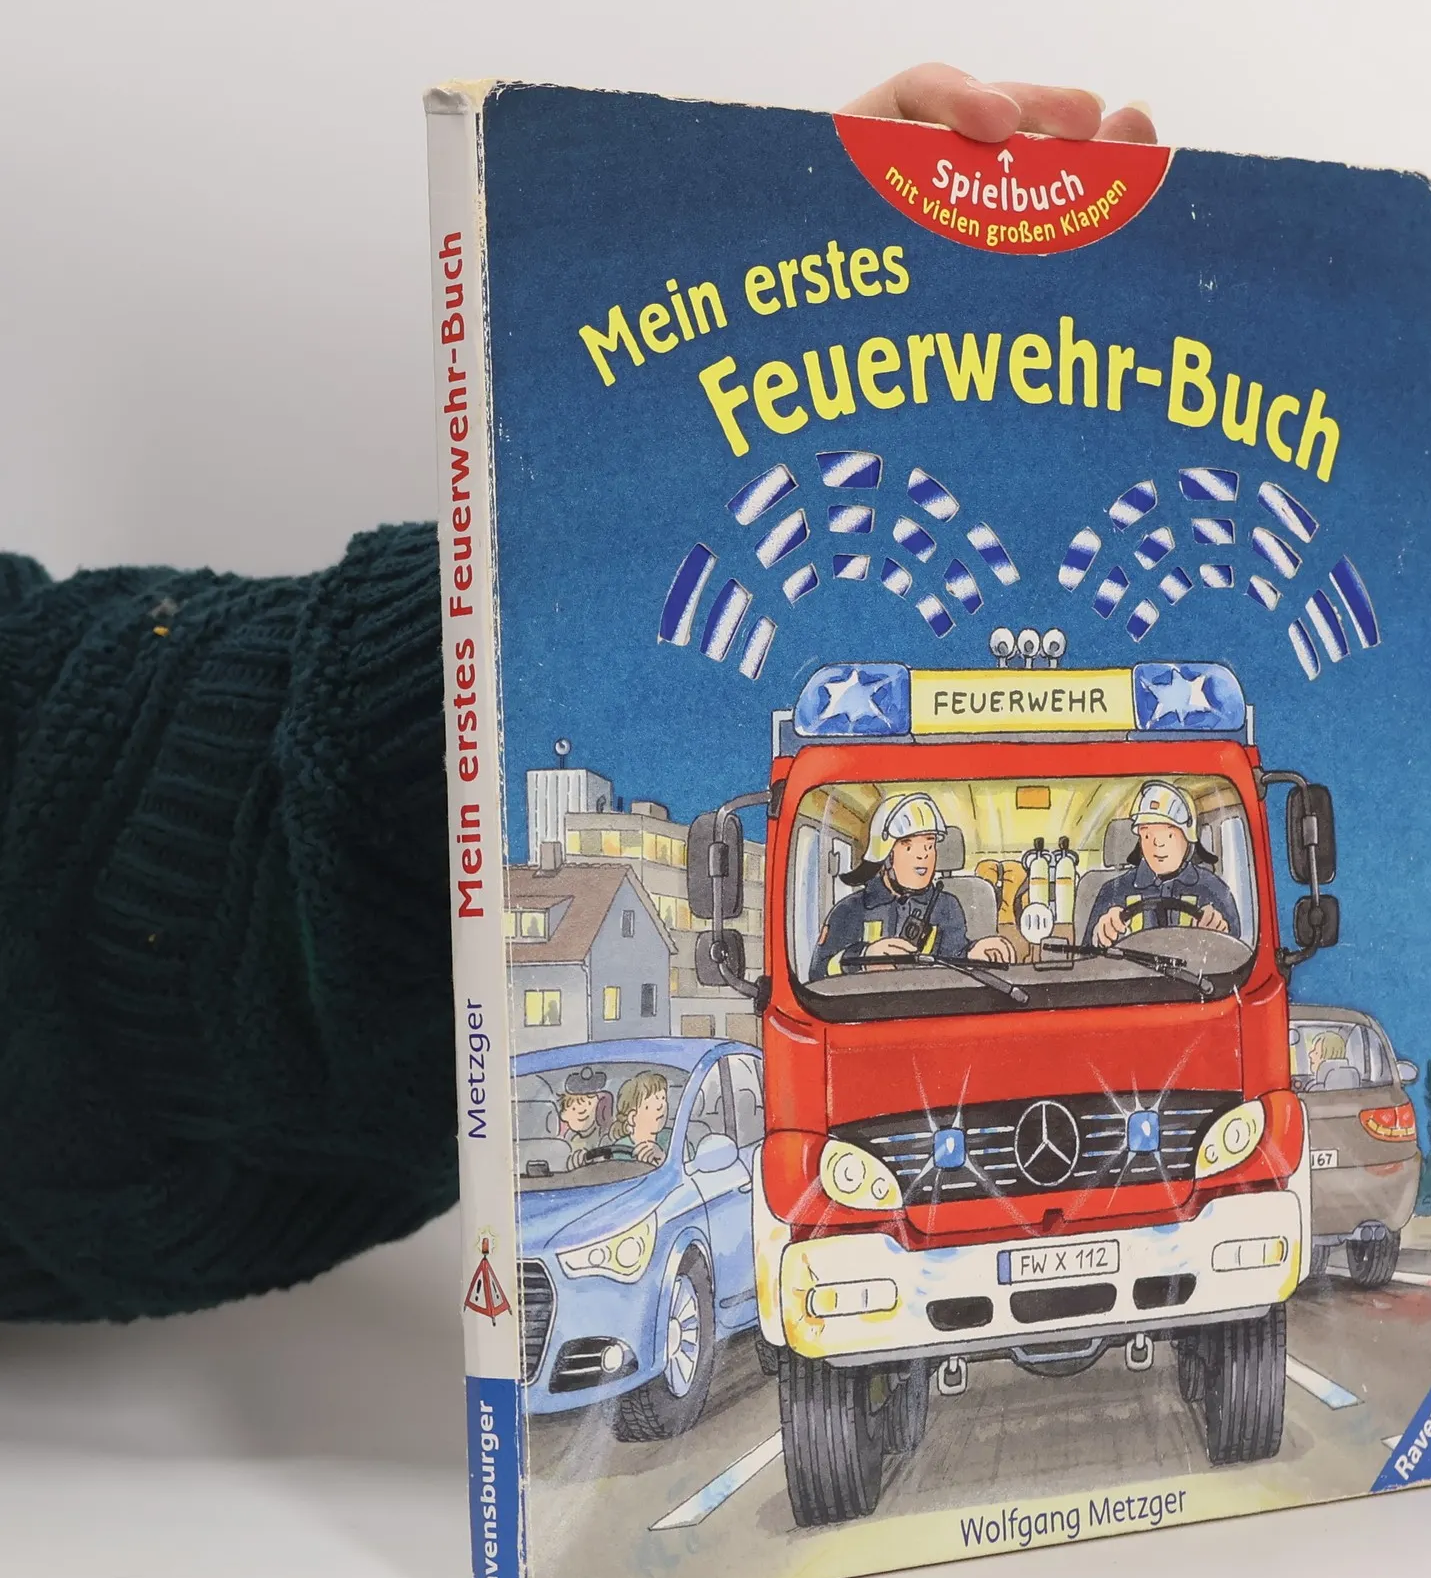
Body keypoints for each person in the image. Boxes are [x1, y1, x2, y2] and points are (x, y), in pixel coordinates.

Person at [0, 66, 1153, 1324]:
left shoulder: (982, 907)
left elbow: (69, 820)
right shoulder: (842, 913)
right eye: (913, 842)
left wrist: (531, 627)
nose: (922, 859)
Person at [812, 792, 1017, 980]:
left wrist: (974, 954)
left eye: (929, 845)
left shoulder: (947, 906)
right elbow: (817, 973)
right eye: (908, 846)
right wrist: (864, 957)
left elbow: (954, 957)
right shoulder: (849, 910)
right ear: (885, 854)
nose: (923, 855)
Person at [1083, 781, 1242, 950]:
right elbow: (1086, 956)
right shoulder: (1113, 891)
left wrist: (1220, 932)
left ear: (1188, 836)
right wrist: (1100, 934)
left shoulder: (1213, 889)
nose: (1158, 843)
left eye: (1169, 835)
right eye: (1147, 835)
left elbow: (1237, 953)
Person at [610, 1070, 671, 1168]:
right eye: (651, 1104)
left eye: (663, 1098)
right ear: (632, 1117)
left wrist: (664, 1160)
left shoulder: (671, 1138)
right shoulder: (619, 1149)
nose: (661, 1106)